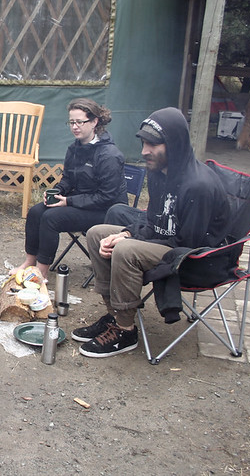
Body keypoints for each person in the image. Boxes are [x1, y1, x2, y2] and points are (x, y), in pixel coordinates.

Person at [73, 107, 230, 358]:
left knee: (125, 250)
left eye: (153, 145)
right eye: (144, 143)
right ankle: (114, 315)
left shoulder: (198, 186)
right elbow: (153, 221)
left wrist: (129, 240)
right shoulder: (159, 172)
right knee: (97, 233)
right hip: (166, 240)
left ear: (174, 145)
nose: (145, 151)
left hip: (196, 258)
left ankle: (125, 330)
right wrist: (126, 232)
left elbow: (186, 243)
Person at [10, 99, 127, 281]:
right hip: (82, 203)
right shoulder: (74, 148)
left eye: (80, 122)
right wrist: (56, 192)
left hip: (106, 211)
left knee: (51, 218)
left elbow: (107, 197)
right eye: (72, 122)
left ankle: (41, 273)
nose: (75, 127)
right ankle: (29, 262)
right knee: (35, 212)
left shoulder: (109, 155)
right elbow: (68, 179)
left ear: (95, 122)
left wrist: (68, 201)